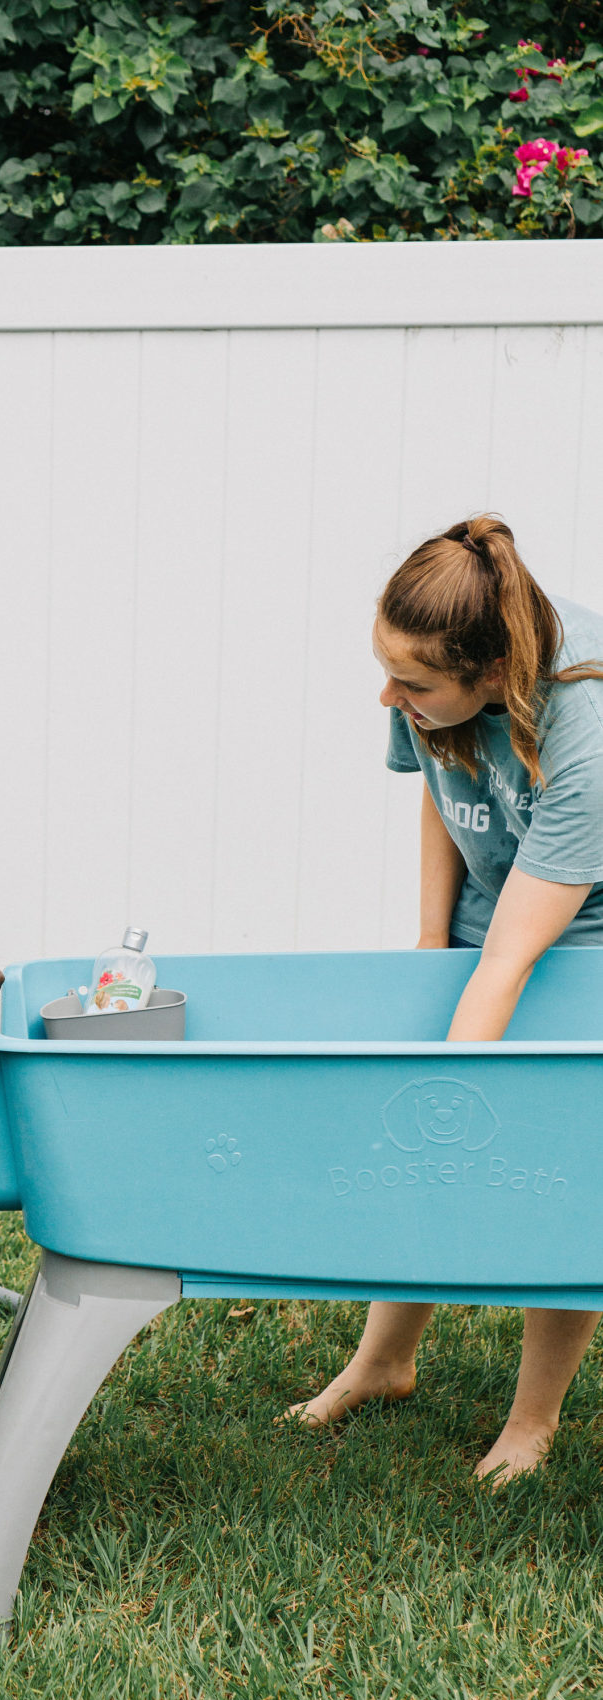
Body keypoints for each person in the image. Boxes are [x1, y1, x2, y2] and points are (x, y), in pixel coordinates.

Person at [289, 515, 603, 1481]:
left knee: (561, 1182)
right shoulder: (425, 679)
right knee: (416, 1145)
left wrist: (444, 1086)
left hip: (582, 952)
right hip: (488, 924)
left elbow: (513, 958)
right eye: (388, 673)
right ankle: (383, 1361)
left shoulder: (584, 737)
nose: (388, 697)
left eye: (411, 686)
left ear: (494, 674)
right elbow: (444, 785)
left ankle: (532, 1423)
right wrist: (428, 954)